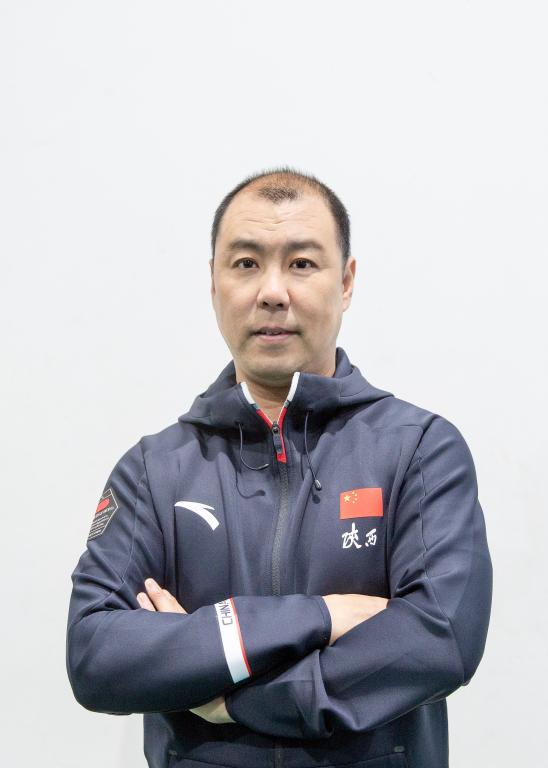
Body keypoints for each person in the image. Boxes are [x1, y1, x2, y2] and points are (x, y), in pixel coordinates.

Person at [66, 167, 493, 768]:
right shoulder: (153, 471)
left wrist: (233, 695)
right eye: (246, 263)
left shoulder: (420, 450)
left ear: (346, 282)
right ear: (213, 283)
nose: (272, 291)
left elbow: (439, 641)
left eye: (301, 263)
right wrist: (323, 616)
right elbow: (97, 656)